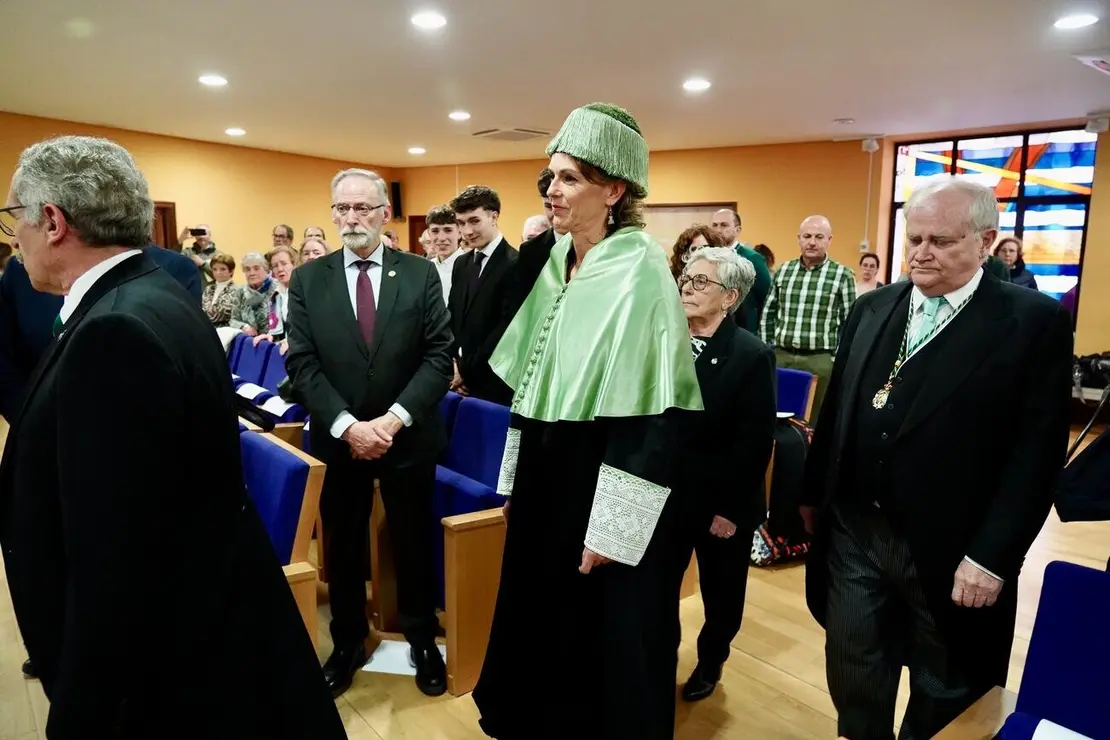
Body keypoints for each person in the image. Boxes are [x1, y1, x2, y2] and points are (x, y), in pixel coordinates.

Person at [0, 135, 345, 737]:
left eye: (15, 218)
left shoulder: (115, 330)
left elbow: (116, 553)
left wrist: (84, 707)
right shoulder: (153, 292)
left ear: (52, 221)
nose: (13, 237)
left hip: (164, 670)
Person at [800, 179, 1073, 740]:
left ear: (985, 241)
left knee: (944, 684)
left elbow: (1035, 455)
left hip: (954, 547)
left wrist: (993, 556)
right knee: (854, 669)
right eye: (914, 238)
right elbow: (835, 415)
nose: (921, 253)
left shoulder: (1029, 321)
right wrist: (811, 497)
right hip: (857, 530)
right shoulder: (872, 308)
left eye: (940, 241)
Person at [473, 103, 703, 740]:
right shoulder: (556, 261)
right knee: (541, 613)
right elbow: (532, 386)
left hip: (605, 472)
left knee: (604, 631)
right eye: (550, 178)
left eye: (570, 178)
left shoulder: (641, 266)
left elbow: (657, 414)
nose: (553, 190)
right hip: (549, 472)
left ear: (615, 190)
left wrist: (614, 530)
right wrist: (517, 485)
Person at [285, 167, 453, 698]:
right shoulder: (310, 279)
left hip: (407, 435)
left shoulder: (421, 274)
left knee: (411, 540)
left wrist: (392, 419)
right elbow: (302, 363)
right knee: (344, 544)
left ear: (385, 213)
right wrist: (347, 425)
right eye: (342, 208)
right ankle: (348, 640)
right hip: (339, 438)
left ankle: (422, 639)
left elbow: (438, 355)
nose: (351, 217)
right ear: (332, 213)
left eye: (362, 208)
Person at [674, 246, 775, 702]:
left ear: (730, 297)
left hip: (721, 503)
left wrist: (729, 510)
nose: (686, 287)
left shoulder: (750, 354)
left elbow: (754, 443)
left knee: (721, 593)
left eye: (700, 282)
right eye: (685, 278)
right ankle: (659, 654)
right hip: (667, 493)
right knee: (657, 587)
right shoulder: (664, 337)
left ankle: (711, 660)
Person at [759, 215, 855, 424]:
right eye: (807, 236)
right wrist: (768, 349)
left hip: (819, 361)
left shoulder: (842, 275)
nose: (812, 242)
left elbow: (850, 323)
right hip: (781, 356)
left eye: (819, 237)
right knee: (773, 416)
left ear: (829, 240)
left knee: (814, 422)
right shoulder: (784, 271)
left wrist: (835, 358)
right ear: (799, 239)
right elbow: (769, 312)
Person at [448, 185, 518, 404]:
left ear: (494, 216)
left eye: (474, 221)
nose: (467, 231)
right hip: (459, 382)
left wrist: (465, 373)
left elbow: (505, 330)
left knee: (498, 438)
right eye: (461, 223)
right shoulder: (461, 263)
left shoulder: (516, 263)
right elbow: (453, 318)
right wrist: (453, 366)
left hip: (495, 385)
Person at [708, 208, 772, 334]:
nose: (718, 230)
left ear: (738, 230)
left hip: (744, 331)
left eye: (724, 225)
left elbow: (767, 296)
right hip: (713, 330)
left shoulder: (752, 258)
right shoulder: (708, 257)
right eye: (714, 225)